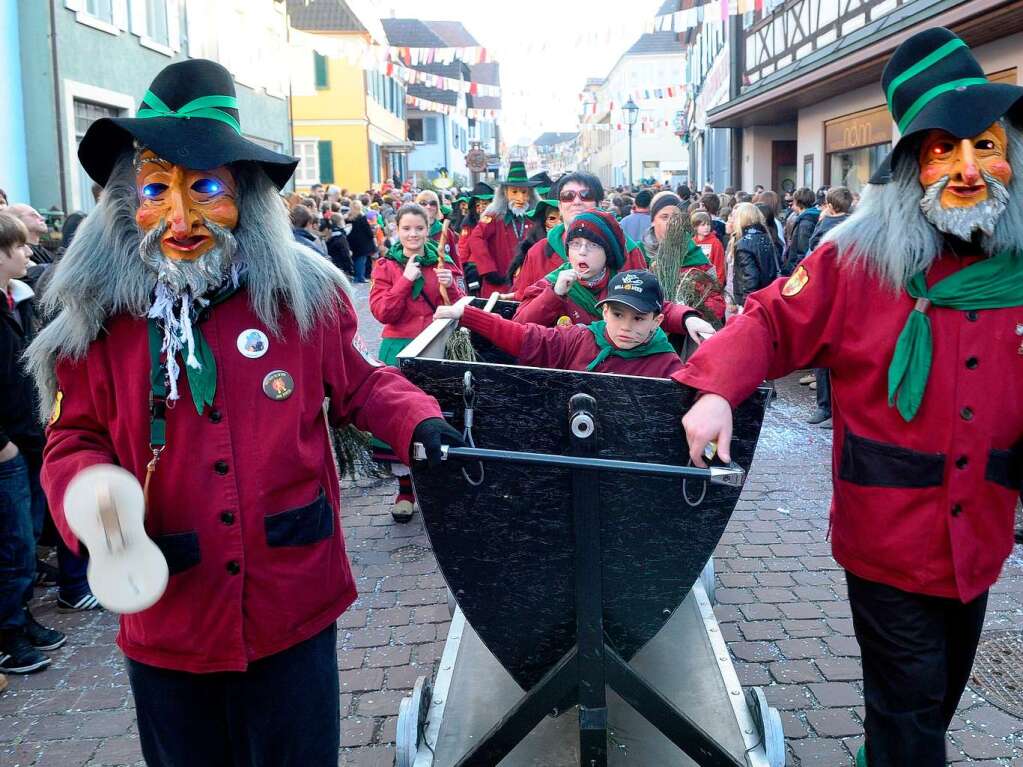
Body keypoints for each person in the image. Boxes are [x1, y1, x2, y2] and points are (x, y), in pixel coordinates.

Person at [29, 59, 462, 765]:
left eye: (204, 188)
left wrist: (419, 422)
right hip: (167, 601)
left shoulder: (300, 302)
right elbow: (71, 434)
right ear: (122, 200)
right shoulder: (98, 323)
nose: (179, 217)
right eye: (156, 189)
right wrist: (88, 494)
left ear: (247, 195)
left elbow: (358, 383)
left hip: (289, 598)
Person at [677, 28, 1023, 767]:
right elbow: (769, 320)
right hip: (885, 539)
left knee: (935, 696)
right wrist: (713, 389)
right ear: (908, 168)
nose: (967, 168)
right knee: (909, 708)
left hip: (978, 540)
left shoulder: (1017, 272)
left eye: (984, 145)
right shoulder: (852, 260)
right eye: (940, 149)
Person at [0, 213, 67, 675]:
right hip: (6, 447)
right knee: (13, 543)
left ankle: (21, 618)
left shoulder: (16, 300)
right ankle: (9, 633)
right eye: (19, 247)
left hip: (24, 439)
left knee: (23, 540)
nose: (29, 254)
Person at [369, 204, 464, 521]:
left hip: (436, 347)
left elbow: (461, 303)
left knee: (437, 416)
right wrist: (405, 280)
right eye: (406, 228)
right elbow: (383, 312)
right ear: (397, 230)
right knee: (400, 418)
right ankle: (405, 491)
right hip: (399, 350)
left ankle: (439, 486)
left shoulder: (441, 260)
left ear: (428, 229)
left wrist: (450, 285)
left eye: (419, 228)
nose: (413, 234)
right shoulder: (385, 266)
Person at [438, 270, 710, 378]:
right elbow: (524, 336)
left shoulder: (666, 364)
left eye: (638, 318)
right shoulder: (580, 339)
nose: (626, 327)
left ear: (657, 320)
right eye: (618, 315)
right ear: (604, 313)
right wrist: (468, 314)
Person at [511, 172, 648, 297]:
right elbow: (524, 301)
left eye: (586, 195)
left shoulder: (627, 248)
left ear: (599, 204)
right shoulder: (538, 252)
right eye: (568, 196)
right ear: (560, 206)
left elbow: (643, 301)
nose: (576, 202)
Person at [464, 161, 540, 298]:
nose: (520, 198)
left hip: (528, 285)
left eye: (524, 192)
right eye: (514, 192)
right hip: (498, 284)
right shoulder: (494, 216)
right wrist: (488, 270)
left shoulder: (535, 218)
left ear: (530, 194)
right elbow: (475, 239)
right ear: (505, 193)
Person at [727, 202, 778, 311]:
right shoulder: (766, 237)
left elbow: (751, 277)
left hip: (751, 300)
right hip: (767, 295)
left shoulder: (744, 243)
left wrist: (746, 304)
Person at [507, 198, 560, 294]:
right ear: (544, 224)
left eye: (563, 219)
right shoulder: (532, 252)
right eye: (552, 219)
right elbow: (521, 291)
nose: (559, 224)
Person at [781, 186, 820, 274]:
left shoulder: (806, 222)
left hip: (798, 270)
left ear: (798, 203)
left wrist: (796, 271)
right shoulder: (810, 217)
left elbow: (802, 250)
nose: (791, 207)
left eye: (793, 202)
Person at [416, 189, 460, 267]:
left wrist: (459, 277)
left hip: (443, 276)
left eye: (433, 203)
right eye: (423, 203)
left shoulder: (445, 231)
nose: (428, 206)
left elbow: (455, 259)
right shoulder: (410, 231)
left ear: (438, 207)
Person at [691, 210, 726, 284]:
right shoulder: (692, 243)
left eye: (708, 224)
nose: (706, 227)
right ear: (695, 227)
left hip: (712, 283)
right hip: (695, 283)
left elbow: (719, 265)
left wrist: (718, 284)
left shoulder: (715, 242)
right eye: (703, 225)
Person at [345, 200, 375, 284]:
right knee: (361, 260)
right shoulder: (362, 217)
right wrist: (372, 234)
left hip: (352, 242)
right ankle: (360, 277)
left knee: (355, 259)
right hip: (363, 243)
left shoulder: (348, 218)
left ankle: (356, 276)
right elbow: (368, 231)